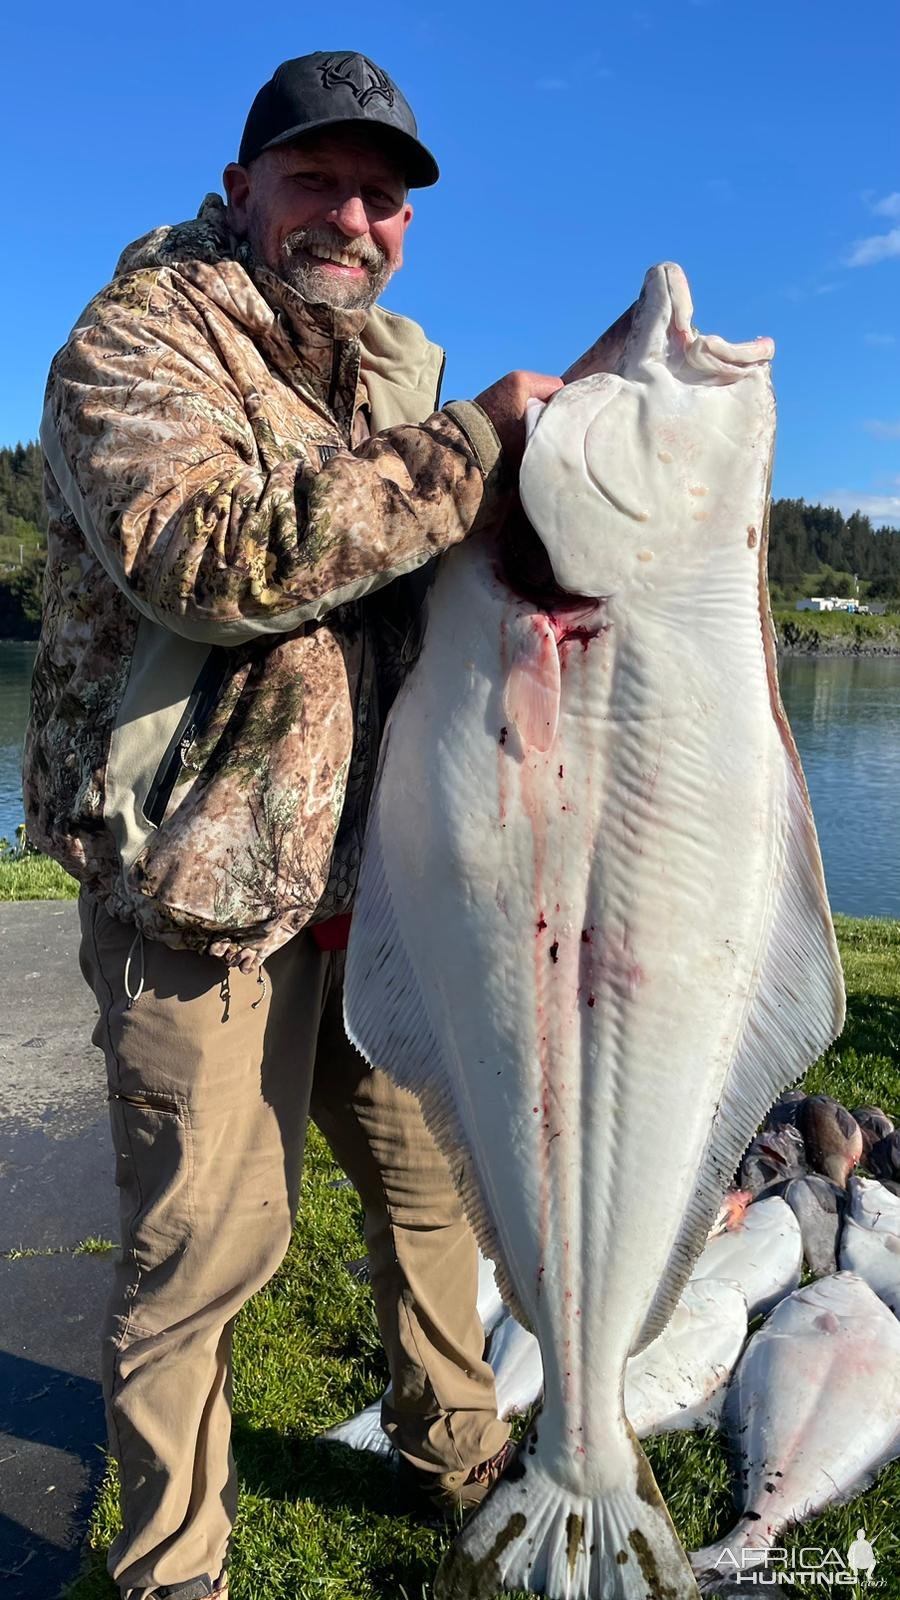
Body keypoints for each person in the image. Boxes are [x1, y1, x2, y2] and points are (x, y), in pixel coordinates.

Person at [23, 49, 562, 1600]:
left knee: (430, 1195)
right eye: (319, 180)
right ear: (244, 182)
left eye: (383, 196)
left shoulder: (381, 375)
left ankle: (466, 1461)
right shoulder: (137, 341)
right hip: (199, 899)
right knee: (203, 1259)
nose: (355, 216)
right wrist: (469, 453)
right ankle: (173, 1570)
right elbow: (207, 558)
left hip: (376, 895)